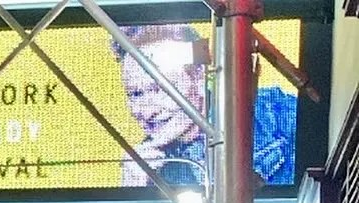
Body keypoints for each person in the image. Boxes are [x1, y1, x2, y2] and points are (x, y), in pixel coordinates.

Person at [115, 25, 297, 187]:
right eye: (136, 94)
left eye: (160, 88)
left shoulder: (278, 113)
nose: (148, 110)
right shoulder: (147, 164)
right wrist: (135, 190)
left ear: (198, 77)